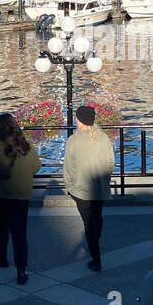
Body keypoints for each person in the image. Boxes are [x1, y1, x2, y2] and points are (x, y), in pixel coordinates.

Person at [0, 112, 42, 284]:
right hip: (21, 195)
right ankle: (21, 272)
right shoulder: (26, 146)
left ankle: (2, 257)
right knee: (19, 233)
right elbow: (36, 167)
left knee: (1, 225)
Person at [62, 104, 115, 271]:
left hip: (80, 189)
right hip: (99, 188)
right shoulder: (104, 138)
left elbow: (68, 168)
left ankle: (96, 258)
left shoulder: (73, 141)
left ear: (78, 120)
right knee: (97, 218)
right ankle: (95, 243)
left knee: (89, 224)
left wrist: (69, 186)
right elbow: (110, 164)